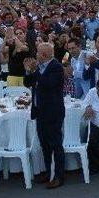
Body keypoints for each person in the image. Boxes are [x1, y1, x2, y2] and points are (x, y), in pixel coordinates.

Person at [24, 43, 65, 189]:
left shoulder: (56, 67)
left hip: (52, 112)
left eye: (38, 53)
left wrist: (34, 71)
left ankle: (59, 176)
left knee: (55, 144)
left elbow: (47, 84)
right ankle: (49, 172)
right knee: (45, 145)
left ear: (45, 55)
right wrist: (28, 72)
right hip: (40, 111)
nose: (36, 55)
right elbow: (27, 83)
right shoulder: (39, 68)